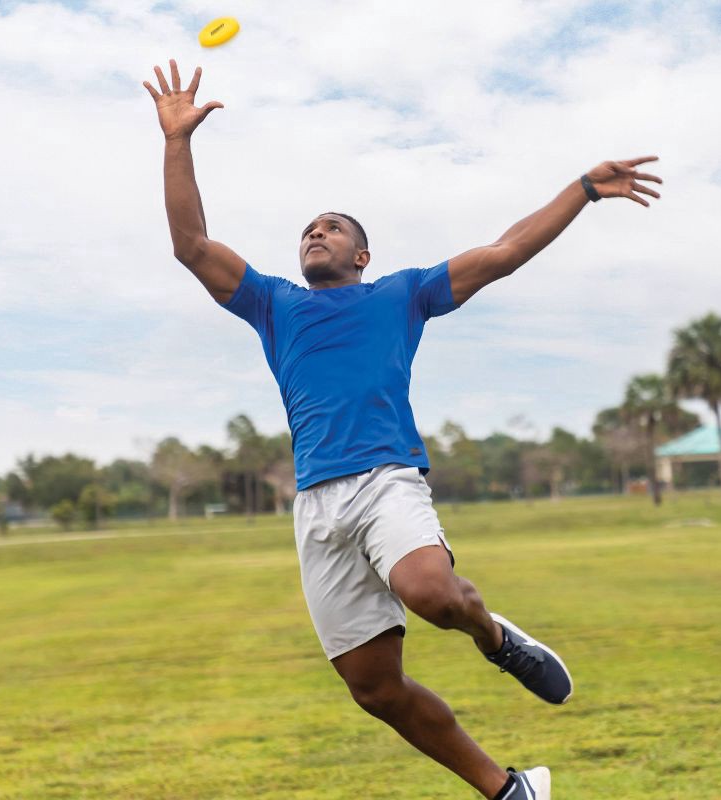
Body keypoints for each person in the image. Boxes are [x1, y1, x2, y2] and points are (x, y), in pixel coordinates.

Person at [144, 59, 662, 800]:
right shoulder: (273, 304)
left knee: (433, 594)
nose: (315, 232)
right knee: (374, 689)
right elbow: (191, 245)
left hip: (386, 477)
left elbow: (505, 252)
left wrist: (582, 188)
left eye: (332, 228)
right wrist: (177, 141)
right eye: (307, 229)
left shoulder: (402, 294)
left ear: (361, 256)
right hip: (316, 504)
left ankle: (496, 638)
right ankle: (510, 790)